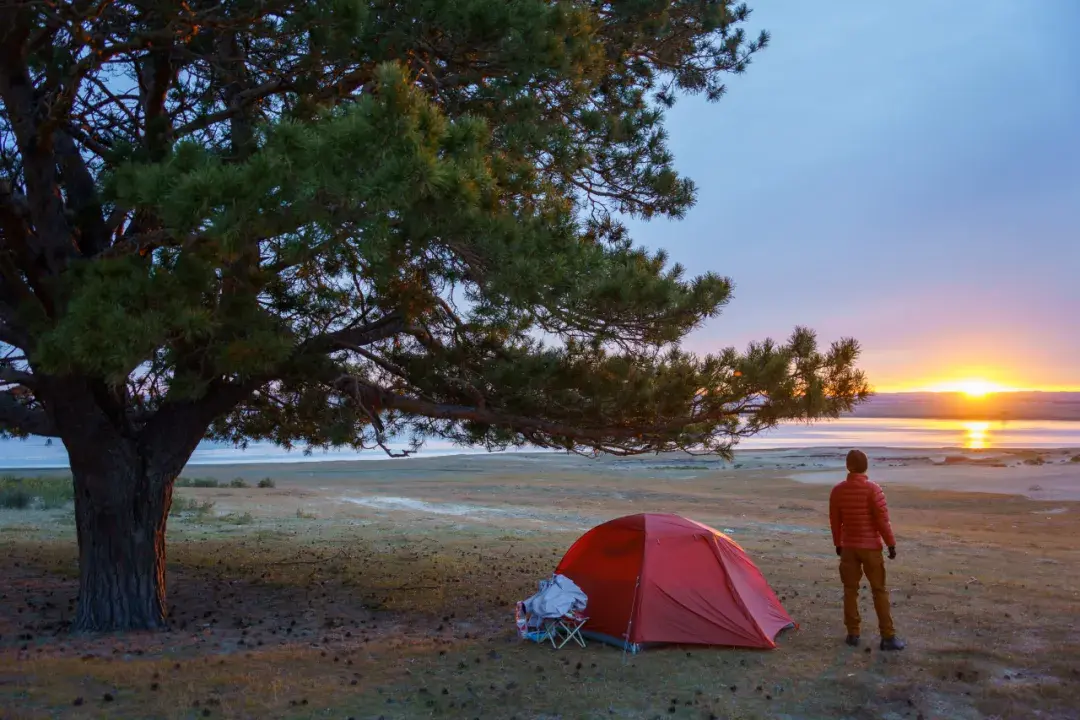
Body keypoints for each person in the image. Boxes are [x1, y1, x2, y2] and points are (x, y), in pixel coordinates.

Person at [829, 449, 905, 651]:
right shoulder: (873, 490)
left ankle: (853, 634)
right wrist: (891, 544)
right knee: (879, 590)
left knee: (850, 590)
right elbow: (882, 520)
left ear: (848, 466)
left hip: (848, 547)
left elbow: (835, 522)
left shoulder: (838, 491)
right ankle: (887, 637)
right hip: (871, 548)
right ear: (866, 466)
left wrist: (838, 543)